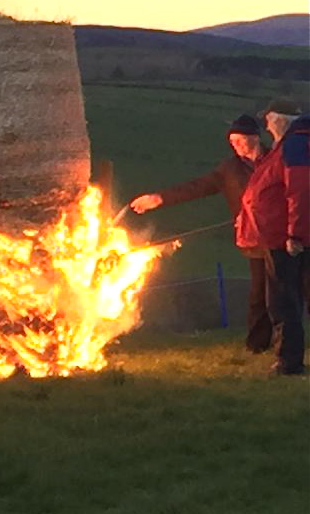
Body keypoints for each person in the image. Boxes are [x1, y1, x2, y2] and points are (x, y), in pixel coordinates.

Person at [130, 114, 270, 352]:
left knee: (293, 289)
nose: (234, 145)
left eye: (239, 140)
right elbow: (198, 187)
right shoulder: (230, 169)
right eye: (231, 141)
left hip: (284, 235)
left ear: (254, 138)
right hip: (254, 240)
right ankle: (258, 345)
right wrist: (159, 199)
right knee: (259, 294)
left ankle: (288, 342)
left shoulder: (275, 161)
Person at [236, 98, 309, 376]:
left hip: (286, 241)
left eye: (267, 120)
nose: (265, 125)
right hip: (282, 238)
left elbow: (300, 191)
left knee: (284, 301)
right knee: (287, 299)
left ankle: (289, 363)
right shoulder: (287, 147)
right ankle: (289, 359)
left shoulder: (294, 146)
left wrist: (296, 234)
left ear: (278, 120)